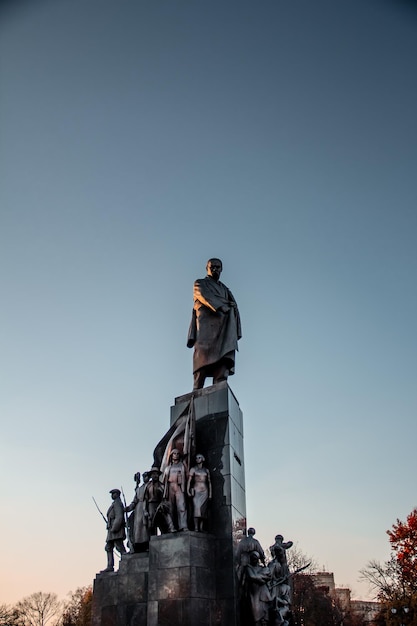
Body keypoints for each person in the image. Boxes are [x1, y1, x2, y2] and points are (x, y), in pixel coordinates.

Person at [187, 258, 242, 389]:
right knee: (202, 362)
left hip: (225, 330)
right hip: (206, 329)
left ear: (221, 269)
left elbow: (234, 308)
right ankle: (196, 390)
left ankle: (220, 387)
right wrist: (223, 305)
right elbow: (204, 295)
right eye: (213, 267)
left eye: (218, 267)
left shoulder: (226, 290)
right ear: (207, 268)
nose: (215, 269)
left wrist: (231, 307)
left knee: (222, 366)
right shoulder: (200, 283)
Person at [144, 466, 175, 535]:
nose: (155, 476)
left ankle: (167, 531)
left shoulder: (161, 485)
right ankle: (152, 536)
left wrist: (163, 504)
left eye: (156, 474)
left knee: (162, 521)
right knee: (151, 523)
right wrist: (145, 510)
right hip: (151, 505)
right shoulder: (148, 486)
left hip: (160, 504)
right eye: (153, 474)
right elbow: (145, 499)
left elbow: (165, 497)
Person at [101, 489, 126, 573]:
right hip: (111, 530)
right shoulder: (114, 503)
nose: (112, 495)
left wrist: (115, 528)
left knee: (119, 547)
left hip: (116, 529)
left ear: (117, 494)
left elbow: (119, 517)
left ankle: (125, 564)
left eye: (113, 494)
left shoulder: (118, 503)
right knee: (108, 547)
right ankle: (110, 566)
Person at [162, 449, 188, 531]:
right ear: (171, 455)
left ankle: (183, 526)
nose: (176, 455)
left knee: (181, 506)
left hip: (179, 487)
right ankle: (171, 527)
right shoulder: (168, 468)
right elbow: (164, 480)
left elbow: (186, 477)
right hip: (170, 487)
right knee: (170, 508)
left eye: (177, 453)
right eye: (174, 453)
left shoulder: (182, 466)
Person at [245, 551, 273, 625]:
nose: (254, 560)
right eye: (252, 558)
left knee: (265, 616)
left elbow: (269, 576)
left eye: (255, 558)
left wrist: (258, 576)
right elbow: (252, 576)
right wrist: (262, 578)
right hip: (254, 595)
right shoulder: (248, 567)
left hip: (264, 595)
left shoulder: (263, 568)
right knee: (256, 615)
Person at [124, 472, 150, 552]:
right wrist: (128, 508)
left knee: (146, 528)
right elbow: (134, 501)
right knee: (137, 529)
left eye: (146, 476)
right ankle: (138, 545)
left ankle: (147, 544)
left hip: (147, 507)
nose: (145, 478)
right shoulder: (139, 489)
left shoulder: (150, 486)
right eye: (144, 476)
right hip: (138, 509)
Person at [187, 453, 212, 531]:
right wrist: (188, 490)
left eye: (199, 457)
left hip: (204, 490)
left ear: (202, 459)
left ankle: (201, 527)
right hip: (196, 490)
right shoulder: (193, 469)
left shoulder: (206, 470)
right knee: (196, 509)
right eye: (196, 458)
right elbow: (189, 481)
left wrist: (210, 494)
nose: (197, 459)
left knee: (203, 510)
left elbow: (209, 482)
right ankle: (196, 527)